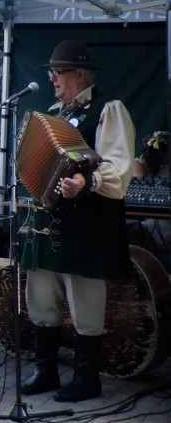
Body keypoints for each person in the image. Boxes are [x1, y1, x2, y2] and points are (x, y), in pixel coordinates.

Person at [20, 40, 135, 402]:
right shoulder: (53, 113)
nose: (53, 79)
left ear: (81, 73)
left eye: (59, 72)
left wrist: (89, 182)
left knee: (85, 296)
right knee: (41, 291)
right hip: (49, 224)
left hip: (89, 222)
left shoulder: (108, 110)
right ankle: (47, 370)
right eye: (51, 72)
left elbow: (118, 168)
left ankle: (88, 379)